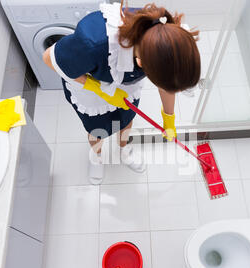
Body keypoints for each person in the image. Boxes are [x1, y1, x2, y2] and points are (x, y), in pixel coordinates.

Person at [43, 1, 201, 185]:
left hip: (124, 88)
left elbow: (167, 83)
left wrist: (169, 119)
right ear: (142, 65)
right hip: (90, 89)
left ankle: (124, 150)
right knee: (97, 131)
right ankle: (97, 156)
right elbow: (48, 58)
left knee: (126, 121)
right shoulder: (93, 43)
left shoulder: (171, 37)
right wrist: (99, 89)